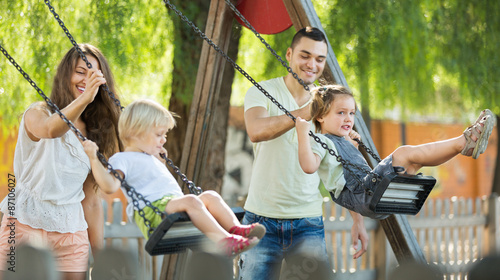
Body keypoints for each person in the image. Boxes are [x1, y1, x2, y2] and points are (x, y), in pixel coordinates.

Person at [239, 27, 369, 280]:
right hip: (260, 221)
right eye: (305, 55)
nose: (312, 64)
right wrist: (308, 112)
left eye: (320, 59)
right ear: (289, 54)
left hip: (307, 223)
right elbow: (256, 131)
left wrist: (358, 220)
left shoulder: (331, 105)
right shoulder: (263, 91)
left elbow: (340, 164)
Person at [83, 99, 266, 256]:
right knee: (192, 201)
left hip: (171, 203)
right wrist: (93, 157)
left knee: (210, 196)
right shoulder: (122, 159)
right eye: (158, 134)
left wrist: (160, 163)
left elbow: (156, 181)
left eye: (165, 134)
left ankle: (236, 229)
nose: (164, 139)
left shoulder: (149, 157)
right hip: (153, 211)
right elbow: (109, 186)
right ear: (135, 133)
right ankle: (224, 241)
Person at [0, 44, 122, 280]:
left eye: (93, 75)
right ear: (66, 73)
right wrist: (86, 97)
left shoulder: (95, 133)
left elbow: (91, 201)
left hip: (70, 233)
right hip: (23, 222)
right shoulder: (38, 113)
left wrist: (101, 258)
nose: (85, 79)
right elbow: (51, 130)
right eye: (80, 71)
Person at [295, 85, 495, 219]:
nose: (348, 119)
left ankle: (464, 147)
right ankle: (463, 141)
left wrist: (351, 145)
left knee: (415, 162)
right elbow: (308, 166)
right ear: (320, 116)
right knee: (404, 153)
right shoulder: (321, 141)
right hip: (365, 195)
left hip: (371, 198)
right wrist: (303, 134)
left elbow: (343, 169)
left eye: (351, 113)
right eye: (341, 113)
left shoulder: (339, 141)